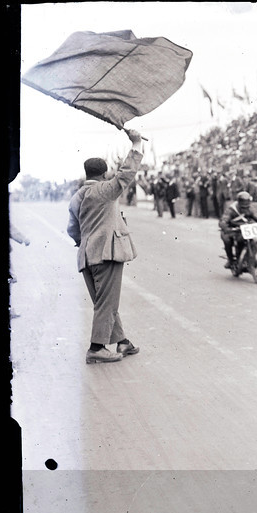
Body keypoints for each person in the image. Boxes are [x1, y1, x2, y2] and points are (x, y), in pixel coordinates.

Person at [67, 128, 144, 364]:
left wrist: (86, 243)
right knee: (107, 302)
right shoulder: (106, 190)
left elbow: (72, 229)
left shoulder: (77, 196)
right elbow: (127, 173)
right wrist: (137, 143)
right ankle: (97, 347)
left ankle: (122, 342)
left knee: (105, 301)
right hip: (106, 254)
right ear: (104, 173)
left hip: (86, 256)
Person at [219, 191, 257, 270]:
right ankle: (230, 260)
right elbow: (224, 220)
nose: (245, 208)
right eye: (243, 207)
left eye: (247, 206)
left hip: (244, 228)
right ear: (238, 203)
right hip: (233, 228)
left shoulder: (250, 208)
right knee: (227, 240)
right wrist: (225, 227)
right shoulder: (231, 209)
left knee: (253, 238)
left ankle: (249, 257)